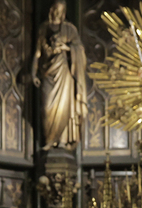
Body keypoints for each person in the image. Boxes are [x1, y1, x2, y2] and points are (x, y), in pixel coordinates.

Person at [30, 0, 87, 150]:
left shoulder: (70, 29)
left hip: (64, 73)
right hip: (47, 73)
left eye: (60, 10)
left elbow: (80, 50)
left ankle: (62, 140)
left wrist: (67, 48)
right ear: (51, 10)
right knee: (46, 108)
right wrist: (33, 73)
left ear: (64, 12)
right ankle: (49, 140)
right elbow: (37, 53)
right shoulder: (43, 28)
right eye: (55, 9)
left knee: (65, 106)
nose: (57, 12)